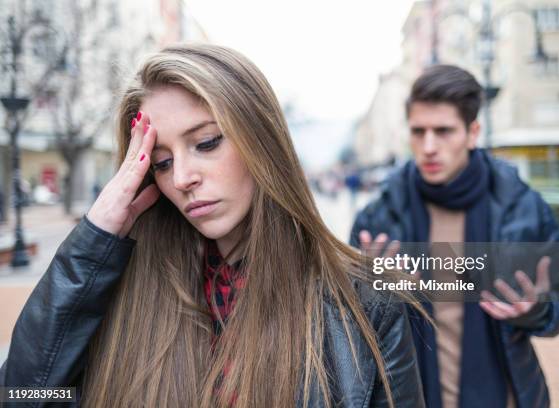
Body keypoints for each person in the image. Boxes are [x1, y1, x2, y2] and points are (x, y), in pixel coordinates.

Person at [0, 44, 425, 408]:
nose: (182, 177)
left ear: (262, 140)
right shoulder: (117, 293)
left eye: (206, 143)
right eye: (162, 162)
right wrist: (93, 240)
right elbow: (19, 395)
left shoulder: (365, 304)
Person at [349, 65, 559, 408]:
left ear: (473, 133)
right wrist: (367, 294)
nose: (428, 146)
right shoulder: (378, 218)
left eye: (443, 131)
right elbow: (348, 327)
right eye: (418, 131)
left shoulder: (523, 207)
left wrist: (536, 310)